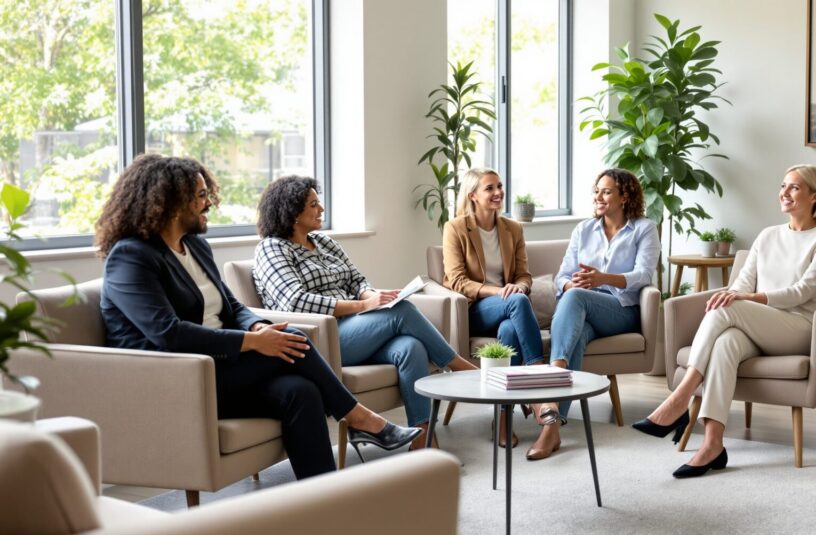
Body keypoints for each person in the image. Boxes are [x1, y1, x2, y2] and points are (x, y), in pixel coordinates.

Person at [97, 155, 421, 480]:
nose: (208, 202)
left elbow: (232, 306)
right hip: (176, 376)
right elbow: (167, 333)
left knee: (300, 391)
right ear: (169, 203)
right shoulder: (131, 257)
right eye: (199, 196)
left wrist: (257, 326)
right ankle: (361, 419)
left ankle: (323, 496)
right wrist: (254, 341)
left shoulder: (194, 246)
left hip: (222, 367)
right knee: (296, 338)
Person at [633, 164, 816, 479]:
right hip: (759, 324)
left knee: (727, 308)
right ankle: (713, 443)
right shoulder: (768, 235)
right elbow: (741, 286)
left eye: (794, 188)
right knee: (726, 343)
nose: (784, 193)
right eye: (783, 185)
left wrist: (746, 300)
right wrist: (741, 297)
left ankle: (680, 398)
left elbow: (803, 292)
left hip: (800, 327)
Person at [252, 175, 477, 449]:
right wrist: (363, 306)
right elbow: (295, 302)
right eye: (313, 204)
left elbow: (357, 280)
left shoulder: (324, 242)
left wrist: (372, 296)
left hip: (357, 329)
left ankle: (424, 440)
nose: (321, 209)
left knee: (410, 346)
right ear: (292, 211)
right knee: (402, 312)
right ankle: (460, 367)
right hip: (322, 340)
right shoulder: (272, 248)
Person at [533, 168, 660, 461]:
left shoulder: (644, 228)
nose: (598, 197)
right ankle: (552, 428)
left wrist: (603, 279)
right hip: (582, 307)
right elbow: (561, 276)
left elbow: (643, 275)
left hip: (620, 309)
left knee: (575, 299)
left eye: (606, 192)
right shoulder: (583, 230)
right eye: (596, 191)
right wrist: (571, 282)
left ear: (624, 196)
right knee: (575, 328)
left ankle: (553, 378)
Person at [442, 168, 545, 449]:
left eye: (499, 186)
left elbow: (524, 275)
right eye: (490, 188)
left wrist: (519, 287)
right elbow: (458, 282)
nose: (498, 192)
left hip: (510, 309)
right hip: (476, 311)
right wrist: (500, 292)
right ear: (473, 195)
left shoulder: (513, 229)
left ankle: (502, 419)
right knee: (516, 301)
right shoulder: (455, 228)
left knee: (509, 331)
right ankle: (539, 389)